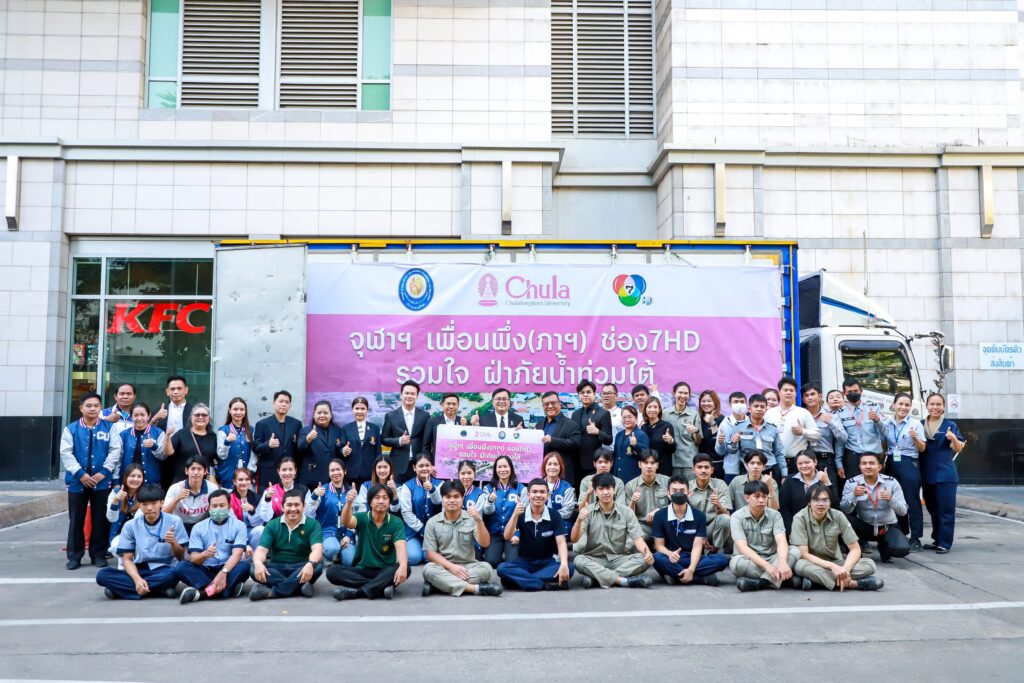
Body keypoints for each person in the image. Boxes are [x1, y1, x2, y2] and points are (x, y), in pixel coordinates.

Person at [62, 392, 123, 570]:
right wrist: (80, 474)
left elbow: (115, 450)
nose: (93, 409)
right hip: (77, 482)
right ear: (81, 408)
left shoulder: (109, 427)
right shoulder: (71, 429)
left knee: (100, 520)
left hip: (102, 482)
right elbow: (66, 453)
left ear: (100, 408)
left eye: (96, 406)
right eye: (88, 406)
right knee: (76, 520)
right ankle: (74, 556)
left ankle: (98, 555)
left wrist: (104, 472)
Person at [96, 484, 187, 599]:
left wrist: (173, 542)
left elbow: (181, 556)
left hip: (165, 568)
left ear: (161, 503)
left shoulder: (174, 521)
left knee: (175, 573)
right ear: (138, 505)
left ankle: (123, 591)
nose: (149, 508)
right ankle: (158, 591)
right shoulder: (130, 525)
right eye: (144, 504)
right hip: (140, 568)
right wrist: (137, 579)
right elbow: (127, 559)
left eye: (154, 503)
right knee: (102, 575)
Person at [791, 483, 883, 591]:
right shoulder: (800, 518)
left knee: (869, 564)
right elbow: (804, 554)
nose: (821, 504)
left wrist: (845, 570)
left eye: (825, 500)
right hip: (812, 563)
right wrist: (832, 567)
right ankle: (853, 584)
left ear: (830, 502)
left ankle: (817, 582)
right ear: (809, 502)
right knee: (799, 566)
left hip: (836, 562)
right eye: (816, 500)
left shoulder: (838, 516)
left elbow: (855, 548)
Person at [570, 473, 654, 589]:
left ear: (614, 490)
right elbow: (574, 539)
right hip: (595, 558)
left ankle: (597, 578)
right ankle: (623, 580)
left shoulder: (626, 512)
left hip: (619, 558)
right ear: (595, 492)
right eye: (601, 489)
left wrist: (647, 553)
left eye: (608, 488)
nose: (605, 492)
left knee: (644, 560)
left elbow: (637, 539)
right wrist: (578, 521)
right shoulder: (588, 511)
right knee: (578, 561)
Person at [329, 483, 409, 600]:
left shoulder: (396, 522)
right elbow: (345, 521)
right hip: (362, 569)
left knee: (406, 567)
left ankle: (358, 592)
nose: (381, 501)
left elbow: (401, 546)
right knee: (332, 571)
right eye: (377, 498)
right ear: (370, 502)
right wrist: (349, 503)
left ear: (389, 502)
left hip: (385, 570)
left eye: (385, 498)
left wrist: (403, 566)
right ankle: (381, 586)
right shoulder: (362, 517)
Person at [422, 481, 501, 597]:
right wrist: (451, 567)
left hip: (468, 566)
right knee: (428, 569)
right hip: (443, 566)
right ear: (442, 498)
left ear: (463, 498)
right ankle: (474, 588)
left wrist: (479, 521)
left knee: (487, 569)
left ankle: (438, 584)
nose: (452, 500)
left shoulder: (472, 518)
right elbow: (430, 554)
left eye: (456, 496)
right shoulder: (432, 522)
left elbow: (485, 543)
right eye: (448, 497)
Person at [496, 478, 573, 591]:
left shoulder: (555, 515)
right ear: (528, 494)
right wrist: (515, 515)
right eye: (534, 492)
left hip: (547, 562)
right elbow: (507, 536)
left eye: (542, 492)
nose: (538, 495)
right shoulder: (521, 513)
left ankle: (522, 581)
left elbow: (561, 542)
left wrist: (564, 564)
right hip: (524, 562)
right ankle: (544, 584)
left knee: (570, 568)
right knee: (502, 568)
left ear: (548, 495)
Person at [175, 488, 251, 602]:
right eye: (214, 506)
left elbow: (237, 554)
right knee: (181, 567)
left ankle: (202, 593)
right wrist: (205, 554)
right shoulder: (198, 527)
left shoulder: (239, 526)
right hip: (205, 569)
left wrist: (223, 572)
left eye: (222, 505)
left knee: (245, 566)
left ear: (229, 507)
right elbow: (194, 558)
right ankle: (226, 590)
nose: (218, 509)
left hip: (228, 568)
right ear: (209, 508)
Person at [651, 476, 729, 586]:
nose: (679, 494)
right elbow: (659, 546)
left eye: (682, 491)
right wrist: (670, 554)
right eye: (674, 491)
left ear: (689, 493)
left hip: (692, 558)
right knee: (656, 558)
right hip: (671, 558)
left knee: (721, 560)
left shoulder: (699, 516)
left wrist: (691, 569)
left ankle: (675, 576)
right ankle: (699, 579)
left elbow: (697, 547)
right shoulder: (660, 515)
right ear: (668, 494)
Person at [249, 489, 324, 600]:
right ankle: (298, 587)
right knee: (253, 568)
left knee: (317, 567)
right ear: (282, 507)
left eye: (297, 505)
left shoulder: (313, 524)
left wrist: (310, 564)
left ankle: (272, 592)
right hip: (277, 566)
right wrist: (258, 563)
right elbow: (261, 550)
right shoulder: (272, 524)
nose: (293, 509)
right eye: (289, 505)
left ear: (304, 506)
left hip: (301, 566)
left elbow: (317, 549)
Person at [730, 480, 800, 591]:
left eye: (764, 496)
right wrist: (767, 566)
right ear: (747, 498)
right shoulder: (736, 517)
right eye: (757, 496)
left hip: (773, 558)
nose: (761, 500)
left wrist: (782, 562)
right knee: (736, 563)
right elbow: (743, 548)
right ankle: (783, 579)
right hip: (751, 560)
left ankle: (760, 583)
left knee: (795, 550)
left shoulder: (775, 515)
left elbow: (781, 541)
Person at [841, 453, 911, 563]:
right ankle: (856, 551)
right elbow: (845, 510)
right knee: (841, 518)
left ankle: (884, 548)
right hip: (864, 526)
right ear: (860, 467)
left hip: (886, 527)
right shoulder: (852, 483)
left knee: (902, 549)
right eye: (864, 463)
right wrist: (853, 495)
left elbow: (903, 511)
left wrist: (891, 499)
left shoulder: (891, 482)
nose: (868, 466)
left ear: (880, 467)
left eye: (872, 463)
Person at [920, 393, 965, 553]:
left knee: (945, 510)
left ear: (944, 407)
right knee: (933, 509)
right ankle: (937, 539)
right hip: (927, 474)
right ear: (927, 406)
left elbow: (958, 449)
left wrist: (953, 438)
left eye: (938, 404)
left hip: (945, 475)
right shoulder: (920, 424)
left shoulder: (950, 425)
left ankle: (945, 543)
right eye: (932, 404)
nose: (935, 407)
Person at [883, 392, 927, 551]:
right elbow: (884, 445)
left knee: (912, 500)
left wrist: (915, 438)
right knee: (894, 500)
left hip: (909, 462)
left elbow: (922, 448)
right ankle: (901, 533)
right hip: (891, 462)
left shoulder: (916, 424)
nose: (903, 407)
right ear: (894, 405)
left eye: (907, 405)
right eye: (900, 404)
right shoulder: (886, 423)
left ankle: (916, 537)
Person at [720, 393, 786, 481]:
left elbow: (779, 452)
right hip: (748, 471)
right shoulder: (739, 427)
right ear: (749, 409)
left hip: (770, 469)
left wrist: (784, 475)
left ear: (766, 409)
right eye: (756, 406)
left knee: (771, 490)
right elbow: (732, 451)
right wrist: (733, 443)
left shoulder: (772, 429)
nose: (759, 409)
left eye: (762, 407)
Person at [305, 459, 356, 566]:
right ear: (329, 473)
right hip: (327, 532)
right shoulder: (322, 490)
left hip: (345, 534)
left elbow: (356, 516)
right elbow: (308, 511)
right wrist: (314, 495)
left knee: (350, 561)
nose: (335, 473)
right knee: (332, 548)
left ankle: (339, 555)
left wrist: (348, 535)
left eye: (338, 469)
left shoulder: (351, 491)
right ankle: (326, 554)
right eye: (332, 470)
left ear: (344, 471)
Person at [766, 377, 820, 476]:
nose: (788, 393)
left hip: (796, 463)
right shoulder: (769, 413)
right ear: (779, 392)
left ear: (795, 394)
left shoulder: (803, 412)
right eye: (785, 390)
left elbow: (817, 435)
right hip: (773, 462)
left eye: (792, 390)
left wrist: (803, 431)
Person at [802, 383, 847, 497]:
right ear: (803, 399)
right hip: (806, 461)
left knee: (831, 494)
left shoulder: (831, 415)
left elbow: (843, 438)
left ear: (820, 396)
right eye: (807, 395)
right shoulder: (800, 416)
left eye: (813, 394)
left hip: (826, 461)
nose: (810, 397)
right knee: (809, 495)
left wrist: (830, 423)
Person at [252, 390, 303, 491]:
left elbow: (298, 449)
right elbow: (255, 447)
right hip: (269, 473)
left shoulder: (296, 424)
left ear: (290, 405)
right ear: (274, 403)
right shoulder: (262, 424)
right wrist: (268, 445)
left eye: (287, 402)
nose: (284, 404)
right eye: (281, 401)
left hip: (289, 474)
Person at [836, 379, 885, 482]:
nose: (853, 393)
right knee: (855, 487)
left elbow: (885, 433)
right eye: (849, 392)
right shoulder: (840, 413)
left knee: (877, 487)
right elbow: (840, 440)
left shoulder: (874, 408)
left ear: (861, 391)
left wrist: (877, 420)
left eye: (855, 391)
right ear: (844, 393)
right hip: (854, 456)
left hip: (874, 455)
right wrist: (839, 463)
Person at [381, 380, 430, 483]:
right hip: (398, 464)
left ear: (417, 396)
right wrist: (399, 440)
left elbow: (427, 441)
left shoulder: (425, 416)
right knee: (396, 490)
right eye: (406, 393)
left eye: (412, 393)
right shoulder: (391, 416)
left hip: (419, 464)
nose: (409, 396)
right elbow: (384, 439)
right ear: (401, 395)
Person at [399, 454, 443, 566]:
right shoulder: (407, 486)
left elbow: (440, 503)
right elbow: (406, 512)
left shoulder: (440, 484)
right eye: (421, 466)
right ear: (414, 468)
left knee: (428, 558)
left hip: (435, 533)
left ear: (432, 467)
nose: (424, 468)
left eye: (427, 465)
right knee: (414, 558)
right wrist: (422, 529)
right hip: (414, 532)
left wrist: (432, 490)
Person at [482, 455, 526, 567]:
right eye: (499, 467)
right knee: (491, 561)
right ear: (495, 470)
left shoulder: (521, 489)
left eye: (505, 466)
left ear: (511, 468)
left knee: (512, 562)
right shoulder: (488, 488)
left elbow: (524, 515)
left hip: (513, 533)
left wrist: (518, 534)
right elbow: (486, 512)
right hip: (494, 533)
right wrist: (490, 501)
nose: (502, 470)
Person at [163, 403, 217, 492]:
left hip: (205, 484)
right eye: (197, 415)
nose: (200, 417)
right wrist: (168, 436)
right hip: (182, 482)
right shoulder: (181, 434)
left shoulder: (213, 436)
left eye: (204, 415)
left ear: (209, 418)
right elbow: (168, 452)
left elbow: (217, 459)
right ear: (191, 417)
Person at [151, 376, 192, 489]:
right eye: (172, 389)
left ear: (186, 390)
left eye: (179, 388)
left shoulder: (194, 411)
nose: (176, 392)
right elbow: (148, 431)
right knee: (165, 487)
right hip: (164, 455)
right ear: (167, 391)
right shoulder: (158, 410)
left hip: (187, 454)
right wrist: (154, 419)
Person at [779, 451, 834, 535]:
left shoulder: (824, 478)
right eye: (800, 463)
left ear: (815, 462)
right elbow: (784, 508)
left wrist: (827, 483)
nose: (804, 466)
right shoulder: (789, 480)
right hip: (797, 527)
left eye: (807, 462)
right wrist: (791, 530)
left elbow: (835, 506)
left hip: (823, 528)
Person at [686, 453, 732, 552]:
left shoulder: (720, 484)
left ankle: (715, 550)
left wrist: (718, 505)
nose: (703, 470)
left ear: (712, 470)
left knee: (725, 519)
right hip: (693, 529)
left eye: (706, 467)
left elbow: (726, 514)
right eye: (699, 467)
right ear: (693, 469)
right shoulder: (687, 487)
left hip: (712, 529)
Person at [571, 380, 613, 489]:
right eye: (582, 392)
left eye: (588, 392)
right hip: (576, 463)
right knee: (579, 494)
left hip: (593, 464)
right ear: (579, 395)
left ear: (594, 394)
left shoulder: (603, 413)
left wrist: (597, 432)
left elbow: (609, 439)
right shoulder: (575, 414)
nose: (585, 394)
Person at [536, 392, 582, 485]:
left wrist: (552, 440)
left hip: (564, 475)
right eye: (546, 404)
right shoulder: (539, 425)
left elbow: (576, 443)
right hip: (543, 475)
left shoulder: (571, 424)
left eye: (553, 403)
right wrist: (521, 433)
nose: (550, 406)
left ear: (559, 403)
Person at [624, 450, 670, 544]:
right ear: (639, 464)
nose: (649, 466)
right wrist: (633, 502)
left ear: (657, 465)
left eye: (652, 463)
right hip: (643, 527)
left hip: (666, 525)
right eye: (645, 463)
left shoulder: (667, 481)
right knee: (631, 543)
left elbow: (678, 505)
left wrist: (659, 511)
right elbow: (628, 517)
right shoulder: (630, 486)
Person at [298, 399, 344, 488]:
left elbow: (340, 450)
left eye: (325, 413)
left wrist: (344, 450)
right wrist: (308, 439)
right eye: (319, 413)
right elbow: (300, 448)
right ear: (314, 415)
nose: (322, 415)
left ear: (330, 415)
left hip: (332, 479)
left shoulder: (338, 431)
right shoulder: (305, 430)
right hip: (312, 478)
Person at [163, 456, 214, 533]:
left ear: (205, 471)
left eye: (199, 469)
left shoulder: (212, 488)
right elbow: (164, 513)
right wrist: (177, 498)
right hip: (179, 526)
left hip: (202, 526)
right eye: (192, 469)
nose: (196, 472)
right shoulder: (175, 488)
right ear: (186, 471)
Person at [118, 402, 165, 485]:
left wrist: (154, 446)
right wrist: (115, 480)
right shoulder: (124, 434)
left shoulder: (158, 432)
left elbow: (163, 456)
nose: (139, 418)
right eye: (136, 415)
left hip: (151, 483)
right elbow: (118, 459)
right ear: (131, 416)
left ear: (149, 416)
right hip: (128, 482)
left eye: (142, 415)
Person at [340, 396, 382, 488]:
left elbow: (378, 452)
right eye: (357, 408)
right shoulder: (346, 428)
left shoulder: (375, 428)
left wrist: (378, 470)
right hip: (352, 472)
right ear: (352, 410)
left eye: (363, 408)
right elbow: (340, 448)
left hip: (370, 473)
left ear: (367, 410)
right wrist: (344, 450)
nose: (359, 411)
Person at [664, 382, 701, 480]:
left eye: (686, 393)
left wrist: (696, 431)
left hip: (689, 462)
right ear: (674, 393)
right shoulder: (665, 414)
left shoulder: (694, 414)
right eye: (680, 392)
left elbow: (699, 441)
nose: (683, 396)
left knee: (691, 488)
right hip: (671, 461)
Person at [256, 456, 309, 522]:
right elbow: (265, 518)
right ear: (278, 471)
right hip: (276, 527)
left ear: (295, 471)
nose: (287, 473)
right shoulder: (269, 491)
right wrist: (267, 499)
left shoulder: (304, 490)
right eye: (284, 470)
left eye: (290, 469)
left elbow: (309, 515)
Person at [215, 397, 252, 490]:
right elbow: (221, 455)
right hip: (228, 477)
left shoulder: (251, 430)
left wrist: (251, 471)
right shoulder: (223, 430)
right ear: (230, 410)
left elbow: (254, 455)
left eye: (242, 409)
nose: (238, 412)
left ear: (245, 411)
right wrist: (227, 441)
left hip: (246, 478)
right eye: (235, 409)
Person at [106, 463, 144, 552]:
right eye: (132, 476)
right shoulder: (116, 492)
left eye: (139, 476)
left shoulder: (145, 494)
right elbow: (111, 518)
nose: (135, 479)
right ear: (126, 477)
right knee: (117, 547)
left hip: (140, 534)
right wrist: (115, 501)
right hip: (120, 534)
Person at [715, 391, 750, 483]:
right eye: (736, 402)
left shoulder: (751, 423)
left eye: (742, 402)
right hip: (731, 470)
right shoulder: (724, 424)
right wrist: (721, 443)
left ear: (746, 404)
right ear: (730, 404)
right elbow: (720, 452)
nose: (739, 404)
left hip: (749, 468)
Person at [228, 468, 264, 551]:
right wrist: (246, 543)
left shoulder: (257, 498)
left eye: (247, 479)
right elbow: (231, 525)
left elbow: (258, 524)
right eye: (240, 479)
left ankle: (254, 557)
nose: (244, 482)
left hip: (249, 532)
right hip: (234, 534)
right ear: (234, 482)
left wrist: (252, 510)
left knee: (260, 530)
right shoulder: (229, 499)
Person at [424, 393, 468, 458]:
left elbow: (468, 445)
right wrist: (429, 461)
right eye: (448, 404)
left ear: (458, 405)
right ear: (442, 405)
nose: (451, 406)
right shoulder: (432, 422)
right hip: (438, 460)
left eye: (454, 404)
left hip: (458, 460)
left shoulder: (464, 422)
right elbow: (426, 446)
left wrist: (465, 427)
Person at [612, 405, 649, 482]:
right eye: (624, 417)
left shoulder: (641, 435)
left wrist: (635, 445)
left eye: (629, 417)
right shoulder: (619, 435)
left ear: (636, 418)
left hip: (633, 476)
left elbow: (645, 456)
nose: (626, 420)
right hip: (617, 475)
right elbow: (616, 456)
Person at [642, 396, 676, 478]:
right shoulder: (643, 427)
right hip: (648, 467)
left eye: (655, 407)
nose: (652, 409)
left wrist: (670, 441)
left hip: (663, 468)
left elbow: (672, 450)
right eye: (649, 407)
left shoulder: (667, 426)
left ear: (660, 409)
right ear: (645, 409)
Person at [696, 389, 726, 479]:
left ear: (715, 403)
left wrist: (712, 423)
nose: (706, 404)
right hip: (702, 465)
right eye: (703, 401)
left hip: (718, 464)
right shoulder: (697, 419)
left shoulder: (722, 419)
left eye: (709, 401)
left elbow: (718, 442)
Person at [542, 452, 576, 521]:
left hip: (560, 524)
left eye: (555, 464)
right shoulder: (537, 485)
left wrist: (545, 515)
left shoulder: (567, 487)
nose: (552, 467)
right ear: (544, 466)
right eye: (549, 464)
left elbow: (567, 512)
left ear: (560, 467)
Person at [600, 382, 624, 448]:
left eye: (609, 393)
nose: (606, 396)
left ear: (616, 395)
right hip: (599, 452)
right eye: (603, 393)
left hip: (616, 451)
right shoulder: (596, 412)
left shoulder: (622, 413)